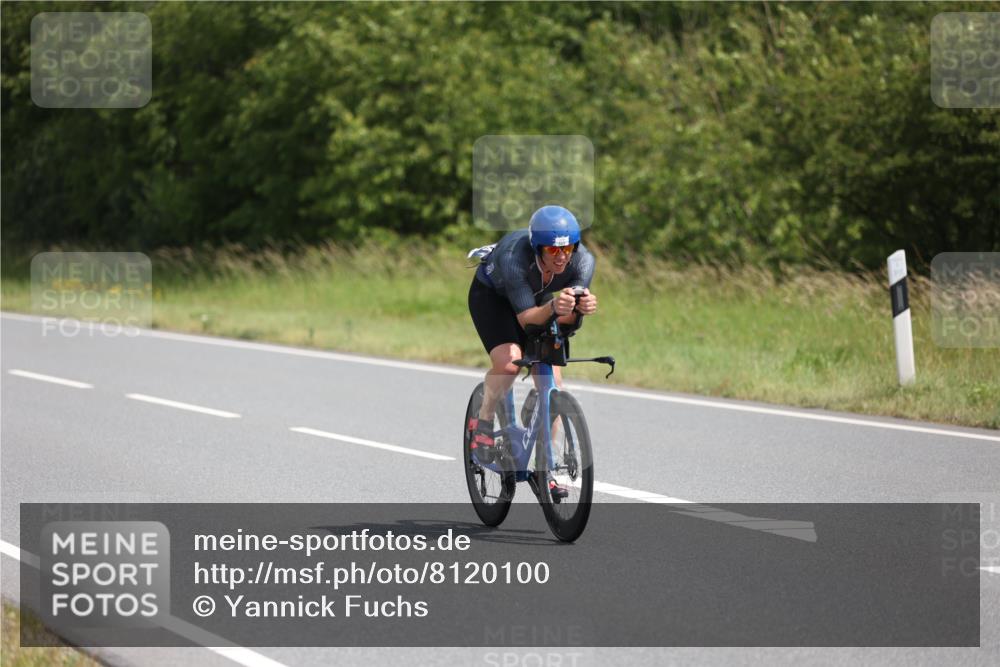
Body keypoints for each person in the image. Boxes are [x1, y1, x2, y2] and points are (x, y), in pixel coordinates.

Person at [466, 205, 598, 497]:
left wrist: (579, 310)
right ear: (538, 248)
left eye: (568, 249)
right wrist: (554, 307)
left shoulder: (584, 262)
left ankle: (545, 467)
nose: (562, 257)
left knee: (554, 384)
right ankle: (484, 421)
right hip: (494, 299)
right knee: (510, 363)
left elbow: (567, 320)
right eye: (553, 250)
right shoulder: (515, 258)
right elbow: (527, 320)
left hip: (537, 298)